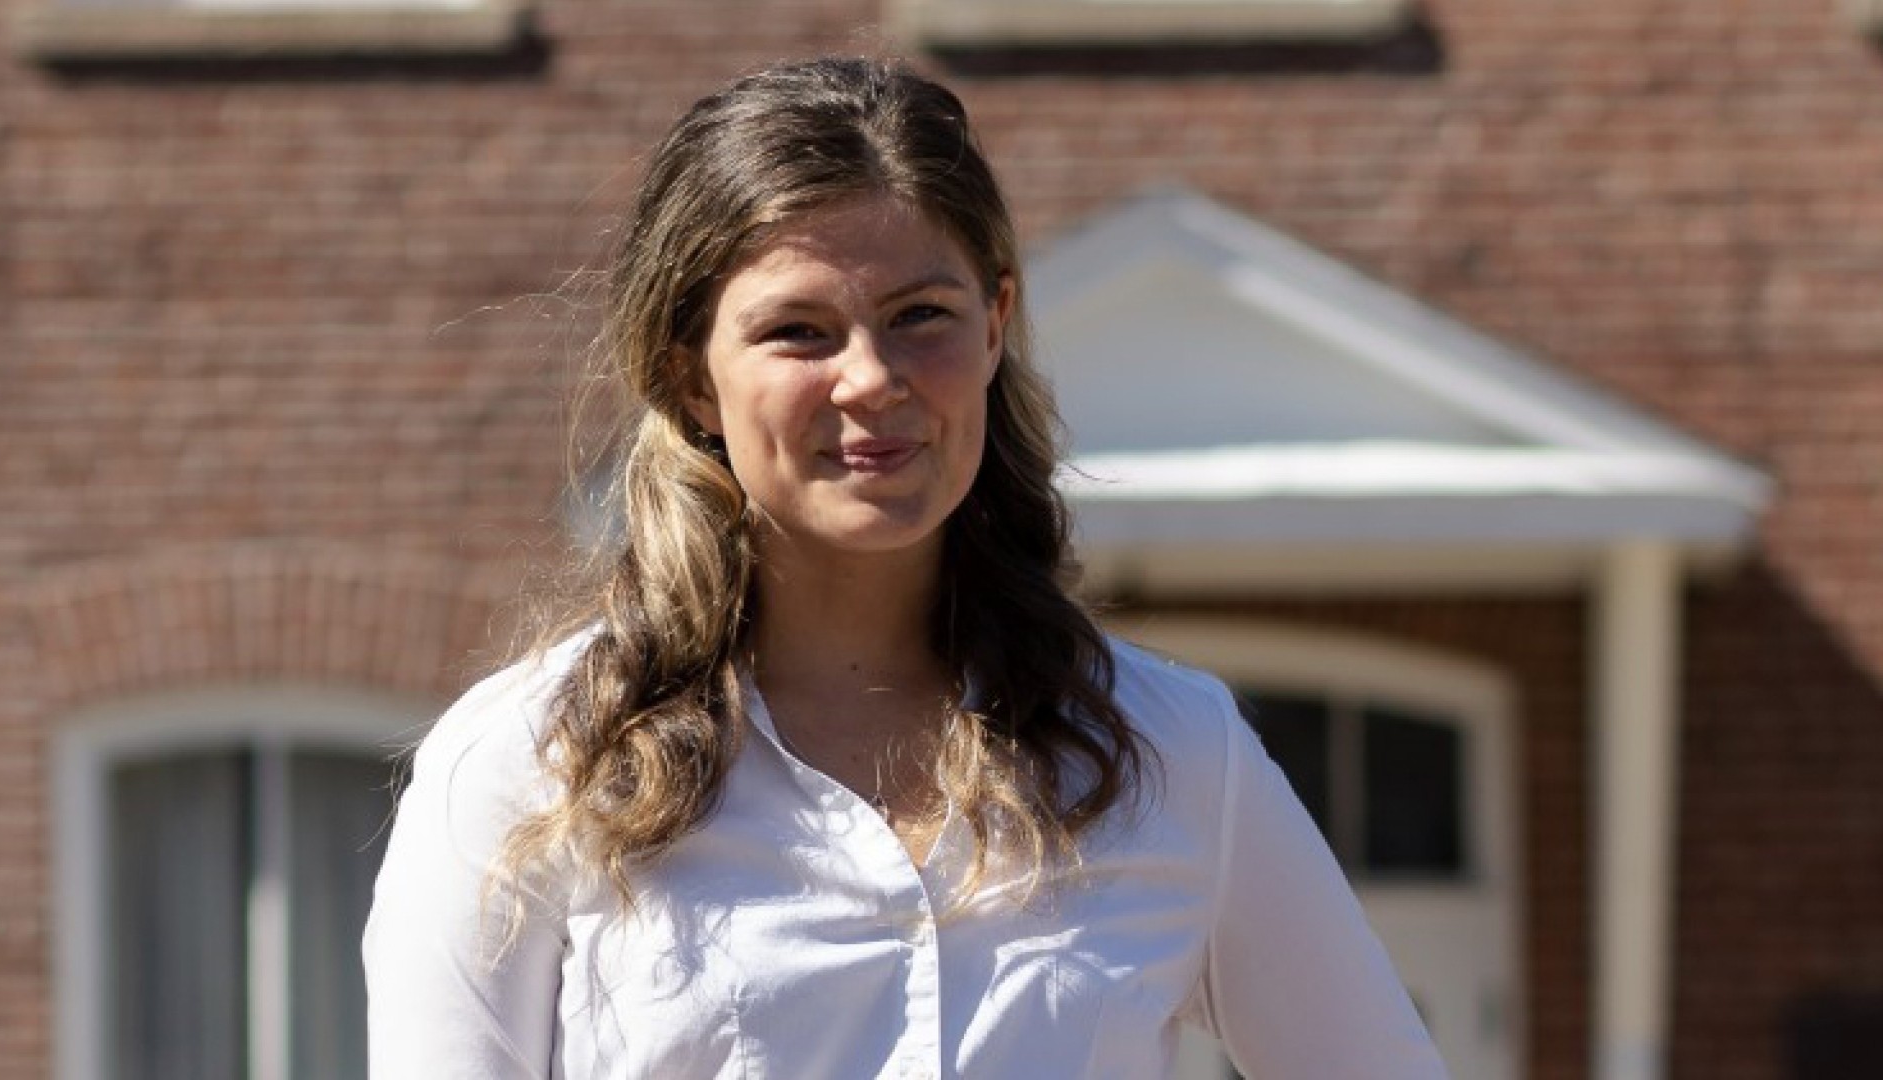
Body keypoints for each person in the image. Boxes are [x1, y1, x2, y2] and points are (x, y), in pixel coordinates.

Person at [363, 56, 1448, 1080]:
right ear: (691, 377)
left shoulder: (1177, 753)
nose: (872, 378)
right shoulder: (526, 769)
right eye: (799, 332)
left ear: (995, 326)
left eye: (920, 316)